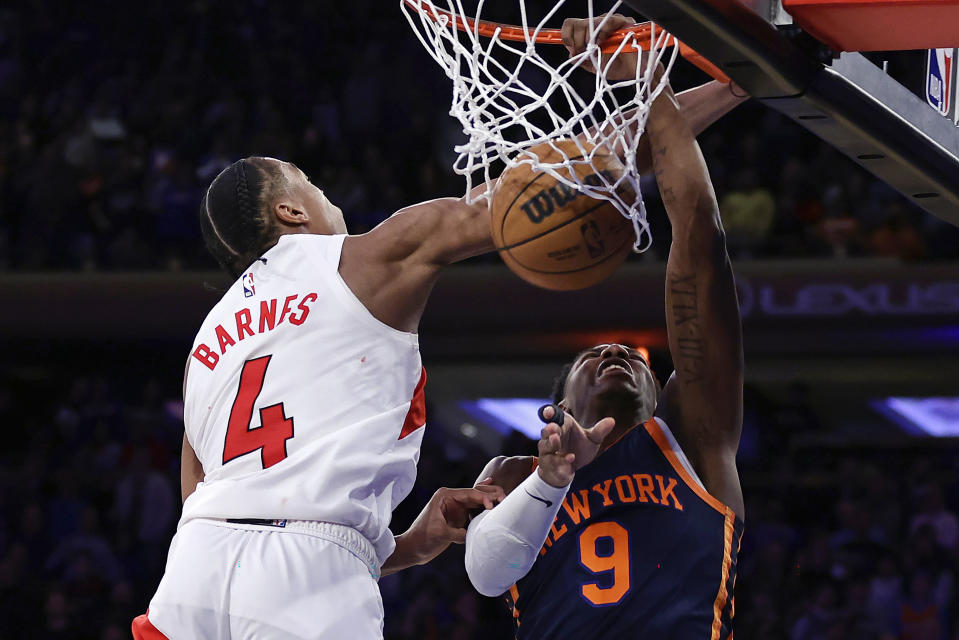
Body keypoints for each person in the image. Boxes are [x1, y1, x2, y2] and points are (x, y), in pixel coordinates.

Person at [133, 16, 745, 640]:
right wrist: (732, 89)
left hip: (190, 577)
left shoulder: (207, 344)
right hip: (307, 584)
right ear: (291, 211)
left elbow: (217, 511)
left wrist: (408, 543)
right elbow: (560, 184)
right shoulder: (365, 259)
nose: (327, 198)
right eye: (311, 186)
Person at [464, 14, 746, 639]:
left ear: (658, 395)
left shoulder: (694, 440)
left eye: (637, 359)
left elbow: (700, 242)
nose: (618, 351)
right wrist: (549, 479)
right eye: (594, 356)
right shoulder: (513, 476)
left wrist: (645, 77)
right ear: (556, 404)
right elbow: (484, 572)